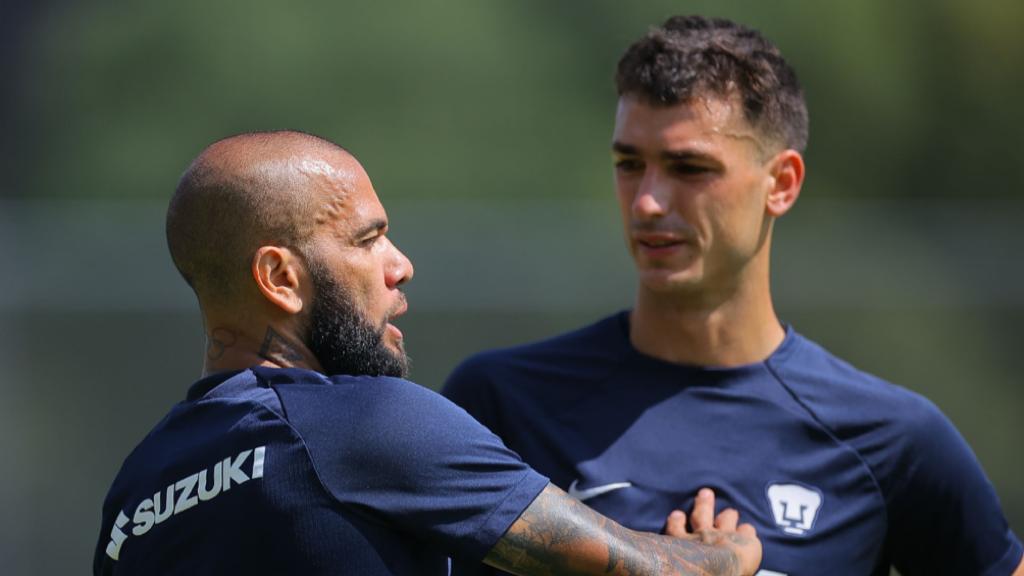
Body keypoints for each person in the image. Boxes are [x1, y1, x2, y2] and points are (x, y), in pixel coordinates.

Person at [443, 15, 1023, 576]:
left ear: (783, 184)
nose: (647, 201)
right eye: (629, 164)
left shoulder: (892, 439)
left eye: (689, 168)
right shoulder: (501, 404)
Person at [93, 130, 763, 576]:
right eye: (367, 240)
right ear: (280, 278)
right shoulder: (361, 424)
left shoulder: (134, 491)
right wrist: (720, 555)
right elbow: (639, 570)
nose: (400, 265)